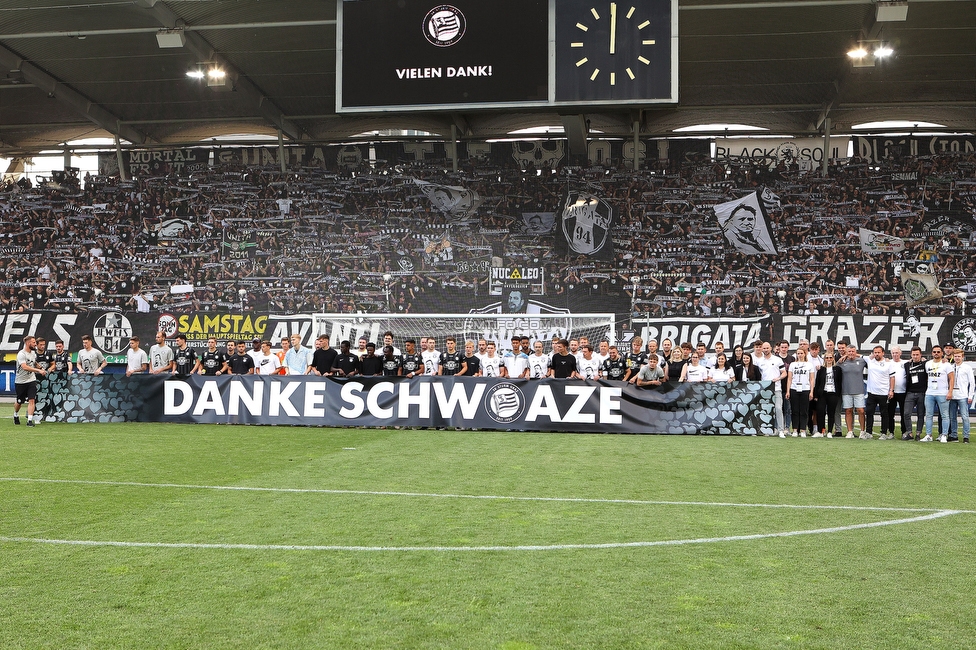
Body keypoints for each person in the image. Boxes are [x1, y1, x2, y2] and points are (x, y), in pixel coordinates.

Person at [922, 345, 954, 443]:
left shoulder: (947, 364)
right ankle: (928, 435)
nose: (936, 353)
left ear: (942, 353)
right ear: (932, 353)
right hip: (930, 393)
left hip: (942, 393)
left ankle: (944, 435)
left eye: (938, 352)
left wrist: (950, 391)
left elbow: (952, 378)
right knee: (928, 415)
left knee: (944, 415)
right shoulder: (928, 364)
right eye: (934, 352)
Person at [754, 342, 787, 436]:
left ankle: (781, 430)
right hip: (765, 390)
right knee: (766, 410)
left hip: (776, 388)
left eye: (767, 348)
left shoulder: (777, 359)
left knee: (778, 409)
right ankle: (768, 430)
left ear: (771, 348)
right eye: (763, 348)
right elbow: (759, 375)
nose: (765, 350)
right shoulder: (759, 361)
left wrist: (778, 378)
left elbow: (784, 373)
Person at [863, 345, 895, 440]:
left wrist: (891, 390)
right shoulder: (870, 360)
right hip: (871, 393)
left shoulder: (888, 364)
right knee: (869, 413)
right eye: (875, 352)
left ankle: (884, 433)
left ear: (883, 353)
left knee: (884, 414)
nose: (876, 354)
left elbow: (892, 378)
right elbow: (856, 354)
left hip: (884, 393)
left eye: (878, 352)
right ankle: (868, 432)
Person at [14, 335, 46, 426]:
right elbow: (24, 367)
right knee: (19, 401)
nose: (35, 344)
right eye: (34, 342)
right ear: (28, 343)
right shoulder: (21, 354)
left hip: (31, 380)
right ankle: (15, 414)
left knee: (32, 400)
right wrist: (38, 370)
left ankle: (30, 420)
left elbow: (33, 361)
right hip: (21, 381)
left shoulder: (33, 353)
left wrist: (38, 366)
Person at [838, 345, 868, 438]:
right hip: (846, 390)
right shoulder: (841, 362)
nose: (851, 353)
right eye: (849, 351)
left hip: (859, 390)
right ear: (846, 352)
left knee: (861, 411)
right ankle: (850, 431)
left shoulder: (862, 361)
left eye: (853, 351)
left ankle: (862, 431)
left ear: (856, 352)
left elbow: (873, 361)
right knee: (848, 411)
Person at [785, 348, 815, 437]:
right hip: (794, 389)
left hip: (805, 389)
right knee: (794, 410)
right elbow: (789, 378)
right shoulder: (792, 364)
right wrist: (788, 391)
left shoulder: (809, 365)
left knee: (804, 411)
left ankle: (803, 430)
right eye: (798, 353)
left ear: (805, 354)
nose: (800, 355)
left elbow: (812, 379)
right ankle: (795, 429)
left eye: (801, 353)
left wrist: (811, 391)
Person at [813, 353, 843, 437]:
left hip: (833, 393)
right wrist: (816, 395)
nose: (829, 359)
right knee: (820, 412)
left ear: (833, 358)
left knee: (831, 413)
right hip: (822, 393)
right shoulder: (821, 369)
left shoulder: (838, 369)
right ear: (824, 359)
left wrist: (838, 394)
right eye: (827, 358)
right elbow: (817, 383)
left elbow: (840, 382)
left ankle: (830, 431)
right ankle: (821, 431)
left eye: (830, 357)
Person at [948, 349, 973, 443]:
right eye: (955, 356)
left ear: (962, 357)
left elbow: (972, 382)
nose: (957, 358)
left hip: (962, 395)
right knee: (952, 416)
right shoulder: (950, 367)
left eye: (959, 356)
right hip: (952, 395)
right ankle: (954, 435)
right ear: (953, 357)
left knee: (965, 416)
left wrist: (970, 396)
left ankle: (966, 436)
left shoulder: (967, 368)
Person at [903, 346, 927, 440]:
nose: (915, 356)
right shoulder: (907, 364)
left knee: (920, 414)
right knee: (906, 413)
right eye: (913, 354)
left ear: (921, 355)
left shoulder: (926, 364)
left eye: (917, 354)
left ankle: (918, 433)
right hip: (910, 392)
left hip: (922, 393)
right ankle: (909, 433)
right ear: (911, 355)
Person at [886, 346, 907, 439]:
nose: (895, 355)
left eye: (897, 353)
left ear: (900, 353)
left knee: (904, 413)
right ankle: (891, 432)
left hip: (903, 392)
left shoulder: (905, 363)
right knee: (890, 413)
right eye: (893, 353)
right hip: (891, 392)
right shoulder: (888, 363)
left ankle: (904, 432)